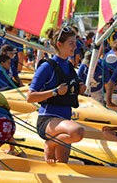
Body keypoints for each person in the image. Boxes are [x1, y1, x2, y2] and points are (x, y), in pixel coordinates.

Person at [27, 26, 86, 163]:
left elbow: (72, 89)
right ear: (59, 45)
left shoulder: (69, 66)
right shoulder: (47, 67)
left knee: (61, 165)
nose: (74, 47)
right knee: (78, 132)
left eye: (75, 43)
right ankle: (50, 144)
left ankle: (53, 143)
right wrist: (54, 92)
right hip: (48, 120)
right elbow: (30, 97)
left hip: (64, 121)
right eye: (71, 43)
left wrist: (80, 88)